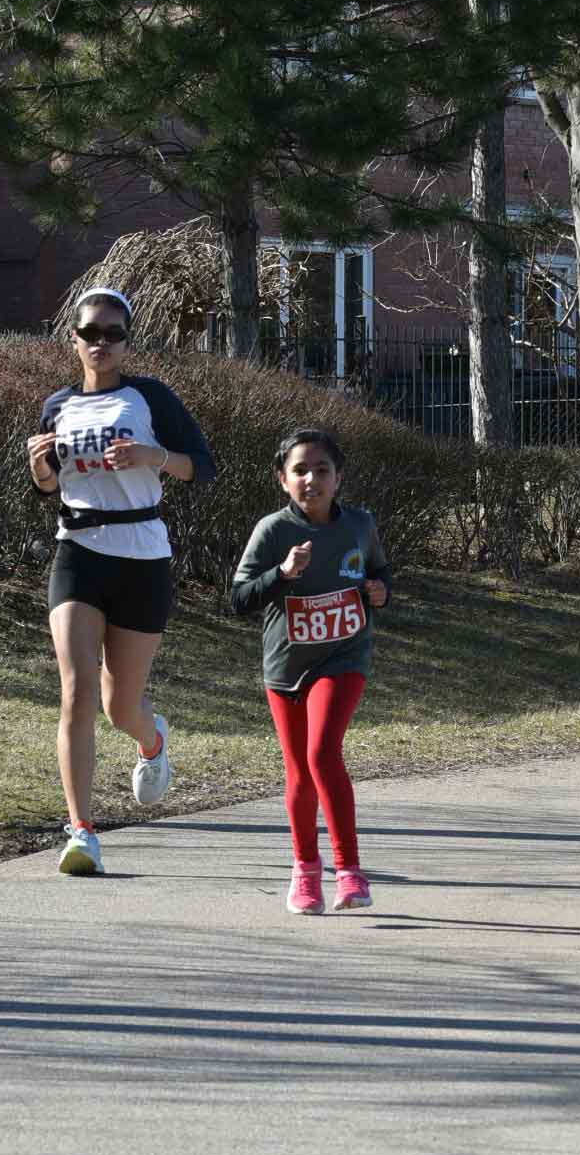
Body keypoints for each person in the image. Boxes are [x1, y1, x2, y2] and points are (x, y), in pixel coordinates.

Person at [26, 287, 216, 875]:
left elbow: (202, 467)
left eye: (113, 333)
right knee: (77, 691)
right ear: (74, 339)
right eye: (91, 333)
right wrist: (40, 472)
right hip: (78, 552)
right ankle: (81, 832)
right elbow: (49, 486)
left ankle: (151, 739)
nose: (101, 342)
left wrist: (152, 457)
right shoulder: (58, 405)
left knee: (119, 706)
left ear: (127, 342)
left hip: (142, 556)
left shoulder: (149, 396)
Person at [232, 428, 390, 914]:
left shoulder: (360, 524)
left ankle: (349, 871)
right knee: (299, 770)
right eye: (300, 470)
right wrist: (281, 573)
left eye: (322, 470)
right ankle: (305, 871)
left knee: (322, 752)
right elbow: (239, 598)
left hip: (344, 656)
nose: (311, 479)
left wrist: (380, 591)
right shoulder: (273, 531)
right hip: (286, 666)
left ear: (338, 477)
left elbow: (379, 572)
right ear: (282, 480)